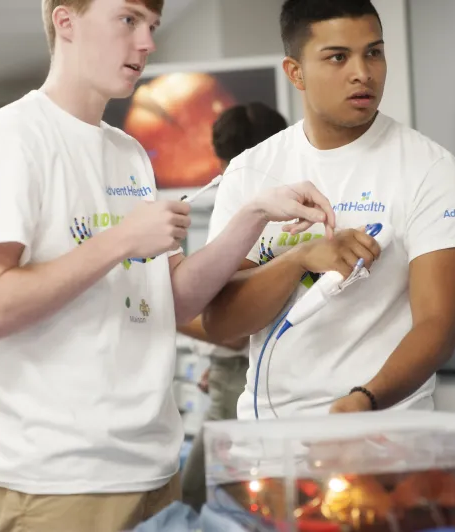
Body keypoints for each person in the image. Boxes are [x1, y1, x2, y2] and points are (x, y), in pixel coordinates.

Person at [0, 1, 334, 531]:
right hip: (58, 481)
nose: (147, 42)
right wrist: (122, 240)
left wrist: (254, 214)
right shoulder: (7, 140)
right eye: (128, 20)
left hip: (153, 470)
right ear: (66, 22)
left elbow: (172, 299)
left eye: (151, 26)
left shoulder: (129, 153)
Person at [202, 0, 455, 421]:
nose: (363, 72)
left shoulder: (430, 170)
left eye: (373, 52)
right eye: (338, 57)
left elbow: (437, 327)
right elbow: (222, 323)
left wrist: (364, 400)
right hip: (270, 438)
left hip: (384, 430)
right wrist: (300, 260)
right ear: (295, 72)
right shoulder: (251, 171)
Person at [178, 102, 289, 511]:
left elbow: (232, 327)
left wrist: (162, 313)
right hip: (237, 371)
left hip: (246, 374)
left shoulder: (265, 221)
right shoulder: (293, 211)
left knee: (200, 497)